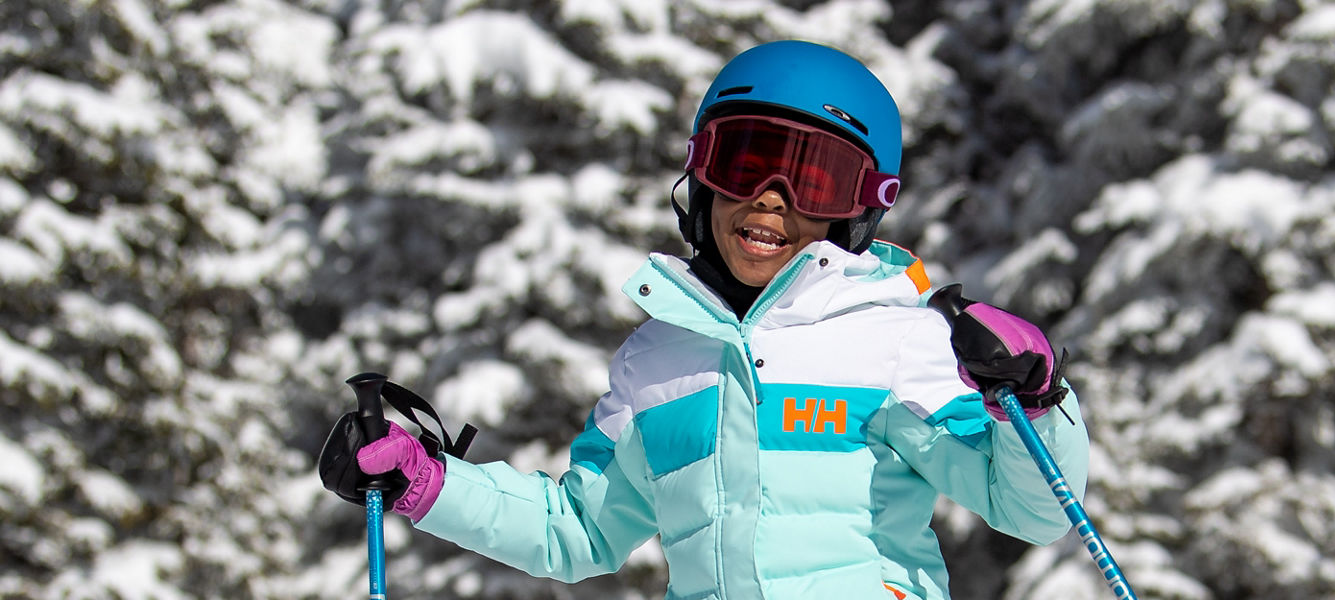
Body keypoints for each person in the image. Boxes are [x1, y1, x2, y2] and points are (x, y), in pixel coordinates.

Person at [316, 40, 1091, 600]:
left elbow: (1030, 507)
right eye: (746, 162)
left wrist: (1034, 401)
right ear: (702, 173)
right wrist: (429, 483)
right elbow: (577, 532)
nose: (772, 198)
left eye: (815, 178)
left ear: (863, 207)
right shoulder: (657, 359)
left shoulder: (893, 338)